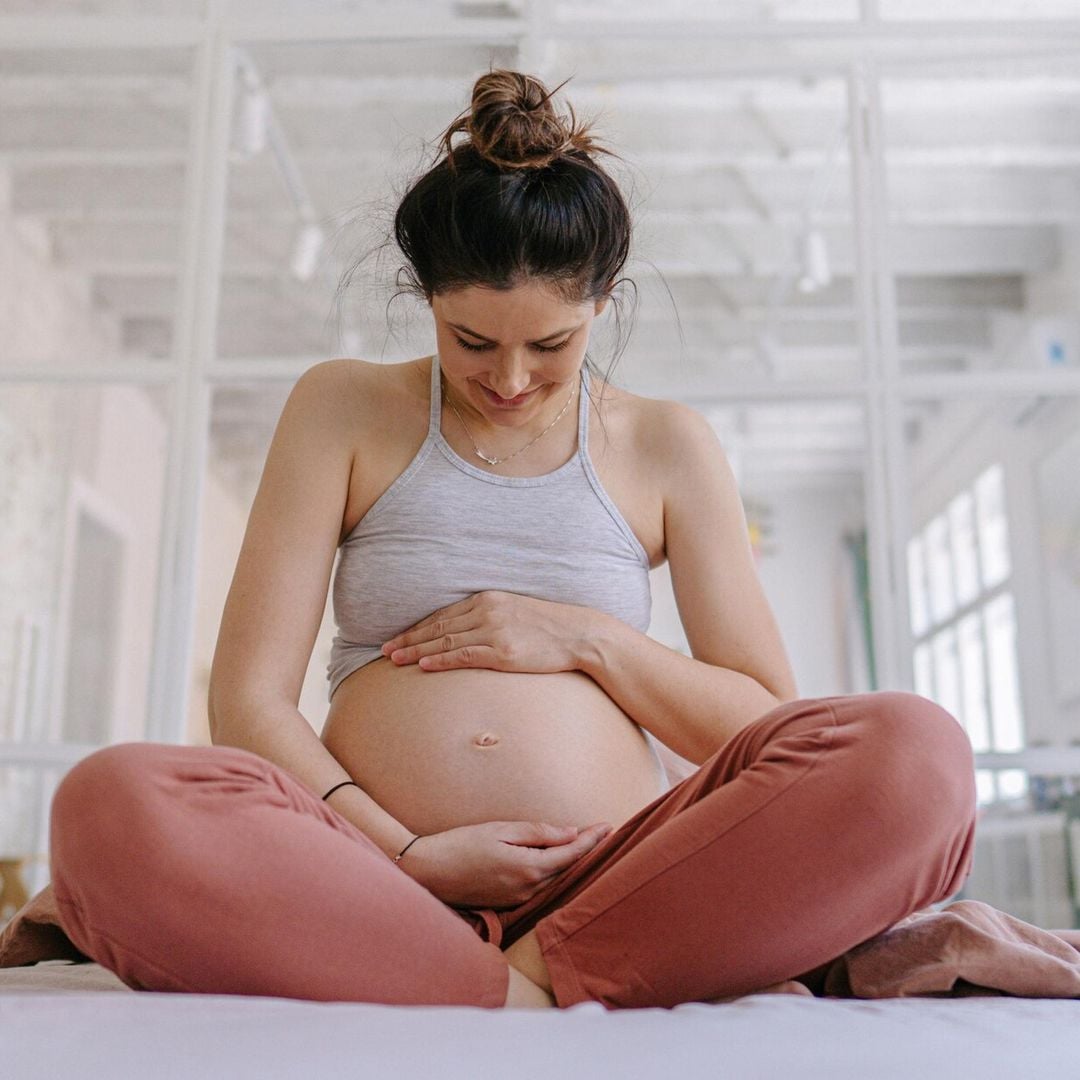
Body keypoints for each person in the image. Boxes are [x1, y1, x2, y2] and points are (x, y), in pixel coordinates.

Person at [46, 69, 977, 1011]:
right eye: (472, 340)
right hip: (372, 876)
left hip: (624, 876)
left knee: (917, 757)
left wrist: (584, 638)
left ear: (603, 305)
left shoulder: (668, 445)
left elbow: (763, 724)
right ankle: (514, 982)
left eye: (553, 346)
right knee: (107, 804)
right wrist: (410, 855)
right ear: (428, 300)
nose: (512, 379)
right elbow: (248, 703)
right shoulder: (343, 409)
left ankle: (521, 977)